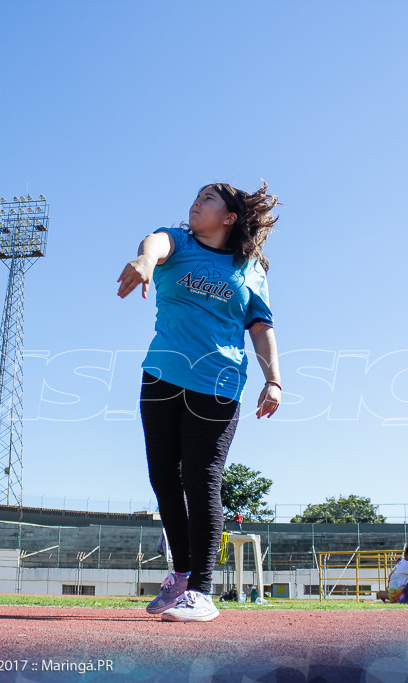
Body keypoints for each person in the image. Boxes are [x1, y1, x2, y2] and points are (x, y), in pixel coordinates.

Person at [118, 181, 282, 623]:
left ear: (229, 217)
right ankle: (182, 574)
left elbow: (261, 326)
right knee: (163, 477)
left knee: (201, 477)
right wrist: (145, 259)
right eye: (198, 195)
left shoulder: (250, 267)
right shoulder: (179, 240)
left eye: (209, 198)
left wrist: (274, 381)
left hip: (218, 381)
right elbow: (156, 243)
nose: (197, 201)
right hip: (161, 375)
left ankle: (203, 592)